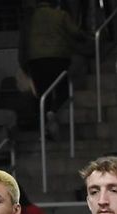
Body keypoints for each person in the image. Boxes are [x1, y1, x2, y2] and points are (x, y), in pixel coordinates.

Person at [21, 0, 90, 137]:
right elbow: (75, 32)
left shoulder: (32, 18)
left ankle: (44, 128)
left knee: (42, 94)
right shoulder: (60, 15)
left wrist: (24, 64)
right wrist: (86, 37)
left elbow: (24, 40)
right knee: (62, 89)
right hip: (58, 58)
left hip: (36, 61)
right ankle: (54, 110)